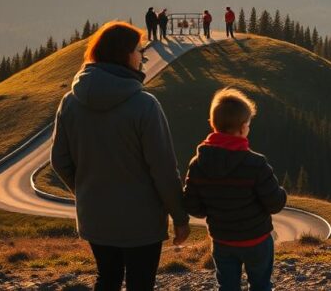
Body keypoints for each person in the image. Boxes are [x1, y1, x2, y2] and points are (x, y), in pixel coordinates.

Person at [51, 21, 190, 291]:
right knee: (141, 283)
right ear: (124, 54)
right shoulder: (145, 105)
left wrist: (86, 190)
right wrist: (180, 217)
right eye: (139, 50)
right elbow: (163, 169)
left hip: (95, 216)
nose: (142, 57)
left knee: (107, 278)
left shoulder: (70, 102)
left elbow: (60, 160)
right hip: (142, 221)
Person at [183, 88, 286, 291]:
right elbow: (275, 204)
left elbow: (192, 205)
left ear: (213, 124)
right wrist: (282, 193)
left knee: (227, 286)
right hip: (256, 239)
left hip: (222, 240)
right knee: (261, 285)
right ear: (242, 128)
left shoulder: (198, 164)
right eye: (248, 124)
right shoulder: (256, 164)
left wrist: (212, 209)